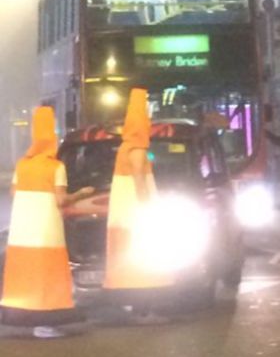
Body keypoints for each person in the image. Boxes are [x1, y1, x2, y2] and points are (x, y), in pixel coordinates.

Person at [0, 106, 93, 338]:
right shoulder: (55, 167)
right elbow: (61, 200)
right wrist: (82, 193)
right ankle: (46, 323)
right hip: (46, 231)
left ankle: (24, 319)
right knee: (48, 273)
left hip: (22, 232)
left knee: (26, 274)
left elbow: (14, 192)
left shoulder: (23, 164)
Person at [104, 87, 172, 306]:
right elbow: (139, 179)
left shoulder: (125, 146)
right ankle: (144, 309)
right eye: (147, 115)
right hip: (136, 215)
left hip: (126, 216)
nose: (150, 120)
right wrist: (146, 207)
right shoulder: (136, 149)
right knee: (143, 259)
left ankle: (135, 306)